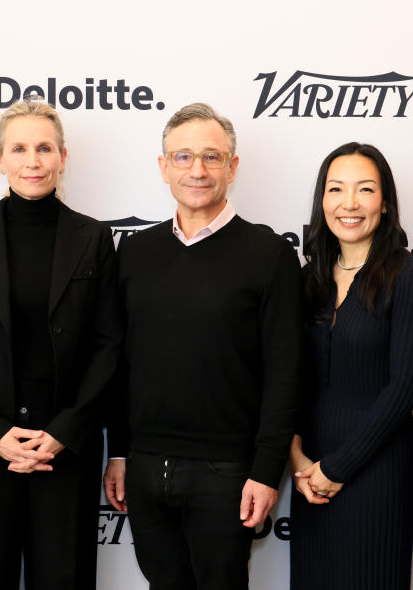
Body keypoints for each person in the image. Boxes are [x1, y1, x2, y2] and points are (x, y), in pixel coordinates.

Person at [103, 102, 303, 590]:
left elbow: (286, 371)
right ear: (163, 167)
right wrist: (121, 453)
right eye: (183, 157)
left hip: (228, 472)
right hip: (147, 469)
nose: (197, 169)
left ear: (232, 168)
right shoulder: (134, 252)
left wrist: (264, 471)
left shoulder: (269, 253)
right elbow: (120, 362)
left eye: (212, 157)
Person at [0, 99, 122, 590]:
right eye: (19, 148)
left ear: (62, 156)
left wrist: (66, 429)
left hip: (63, 448)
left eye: (44, 148)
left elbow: (108, 345)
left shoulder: (95, 238)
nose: (32, 161)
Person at [289, 142, 413, 589]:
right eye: (336, 189)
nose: (349, 204)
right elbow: (291, 377)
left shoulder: (409, 277)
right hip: (307, 475)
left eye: (365, 190)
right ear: (322, 201)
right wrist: (297, 458)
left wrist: (337, 468)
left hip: (374, 474)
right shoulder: (309, 276)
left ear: (385, 202)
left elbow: (404, 390)